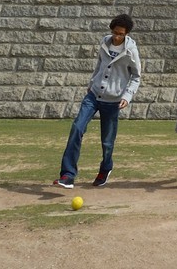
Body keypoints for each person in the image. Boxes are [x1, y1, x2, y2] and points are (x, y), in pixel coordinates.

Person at [54, 13, 142, 189]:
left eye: (121, 34)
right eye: (115, 32)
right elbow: (100, 65)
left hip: (113, 101)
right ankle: (68, 175)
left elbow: (136, 76)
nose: (117, 36)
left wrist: (127, 96)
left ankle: (106, 168)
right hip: (93, 95)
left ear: (127, 34)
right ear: (111, 30)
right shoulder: (104, 42)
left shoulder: (131, 50)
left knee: (107, 142)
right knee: (77, 128)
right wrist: (92, 81)